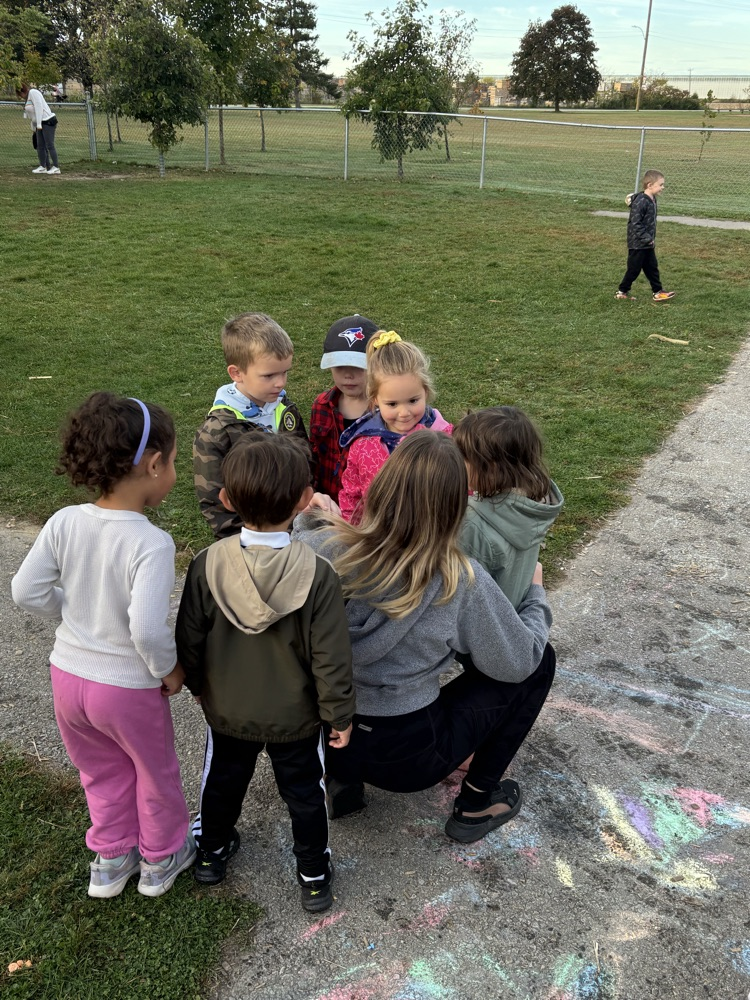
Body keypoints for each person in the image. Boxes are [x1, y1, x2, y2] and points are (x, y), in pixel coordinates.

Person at [293, 431, 555, 845]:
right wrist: (535, 599)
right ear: (456, 507)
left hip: (321, 733)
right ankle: (476, 802)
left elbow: (301, 528)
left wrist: (314, 512)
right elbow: (519, 661)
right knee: (542, 660)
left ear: (381, 488)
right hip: (408, 756)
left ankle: (340, 780)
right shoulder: (461, 579)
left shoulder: (321, 546)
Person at [11, 392, 194, 898]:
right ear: (154, 464)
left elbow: (24, 591)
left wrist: (72, 614)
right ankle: (162, 858)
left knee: (99, 770)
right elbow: (146, 630)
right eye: (174, 462)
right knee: (154, 770)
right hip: (126, 688)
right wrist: (169, 670)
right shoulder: (150, 542)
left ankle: (111, 859)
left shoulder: (65, 521)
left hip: (68, 678)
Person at [176, 435, 355, 913]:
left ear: (227, 498)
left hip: (227, 708)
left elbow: (188, 639)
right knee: (304, 793)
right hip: (296, 717)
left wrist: (198, 686)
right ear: (303, 500)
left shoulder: (205, 565)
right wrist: (339, 713)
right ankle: (313, 875)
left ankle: (211, 853)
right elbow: (331, 656)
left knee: (222, 780)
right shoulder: (318, 574)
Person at [194, 312, 310, 539]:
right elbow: (214, 501)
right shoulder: (218, 431)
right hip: (249, 545)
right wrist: (248, 545)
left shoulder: (284, 408)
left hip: (295, 535)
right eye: (269, 375)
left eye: (285, 372)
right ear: (236, 373)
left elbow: (305, 465)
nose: (281, 383)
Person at [453, 406, 564, 609]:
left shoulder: (472, 525)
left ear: (490, 467)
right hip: (513, 614)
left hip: (480, 628)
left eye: (463, 456)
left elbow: (458, 596)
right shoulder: (532, 505)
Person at [337, 331, 453, 523]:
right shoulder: (362, 444)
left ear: (425, 391)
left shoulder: (444, 437)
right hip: (377, 540)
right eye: (392, 404)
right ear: (375, 400)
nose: (404, 412)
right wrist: (352, 532)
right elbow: (352, 495)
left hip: (430, 538)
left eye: (413, 400)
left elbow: (460, 487)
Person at [310, 314, 380, 504]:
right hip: (326, 507)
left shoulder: (386, 412)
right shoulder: (321, 405)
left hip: (366, 512)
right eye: (340, 366)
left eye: (359, 366)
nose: (348, 375)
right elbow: (314, 456)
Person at [616, 170, 675, 302]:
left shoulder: (652, 199)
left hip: (647, 242)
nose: (663, 187)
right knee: (634, 269)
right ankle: (622, 291)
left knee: (651, 267)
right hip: (638, 243)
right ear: (649, 185)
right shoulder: (641, 201)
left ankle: (658, 292)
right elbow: (635, 224)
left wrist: (649, 240)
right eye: (660, 185)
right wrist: (647, 238)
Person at [20, 84, 61, 175]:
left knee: (49, 145)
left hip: (47, 121)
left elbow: (39, 108)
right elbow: (30, 115)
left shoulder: (34, 92)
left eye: (20, 94)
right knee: (40, 146)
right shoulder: (28, 99)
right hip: (40, 123)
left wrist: (38, 124)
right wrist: (34, 127)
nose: (20, 97)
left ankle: (56, 167)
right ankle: (43, 166)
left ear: (23, 91)